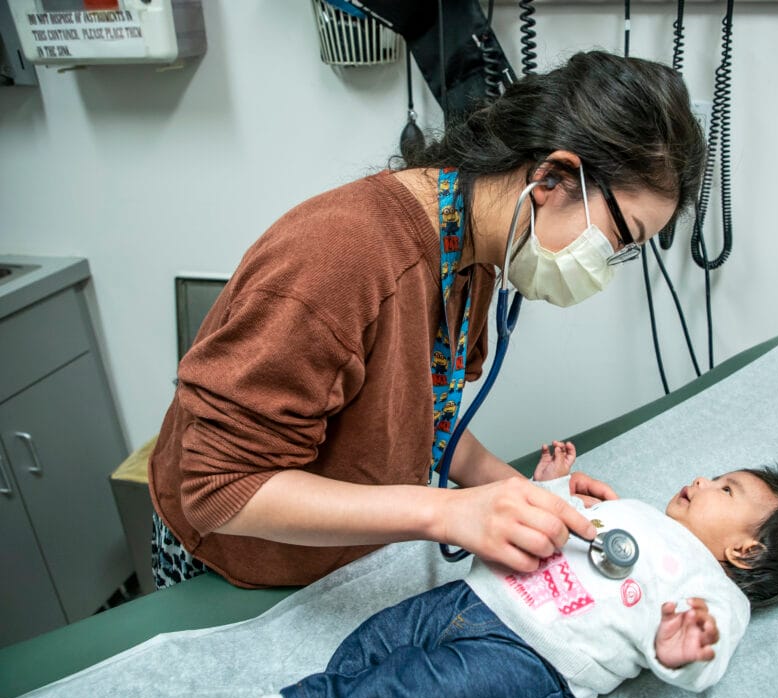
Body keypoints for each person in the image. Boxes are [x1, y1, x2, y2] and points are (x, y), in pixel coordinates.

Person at [146, 50, 707, 589]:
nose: (605, 264)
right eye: (620, 238)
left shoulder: (474, 247)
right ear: (554, 177)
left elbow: (421, 417)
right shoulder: (342, 257)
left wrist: (529, 499)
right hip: (235, 560)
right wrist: (446, 512)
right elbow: (220, 487)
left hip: (339, 556)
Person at [249, 442, 778, 698]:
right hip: (477, 595)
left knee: (417, 696)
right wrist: (553, 487)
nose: (700, 478)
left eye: (725, 488)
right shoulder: (636, 511)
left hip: (535, 658)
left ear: (744, 550)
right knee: (377, 640)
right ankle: (326, 693)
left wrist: (683, 646)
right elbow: (562, 525)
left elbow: (702, 658)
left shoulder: (711, 593)